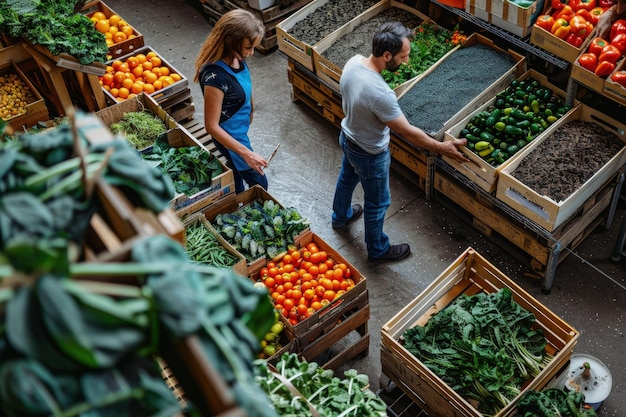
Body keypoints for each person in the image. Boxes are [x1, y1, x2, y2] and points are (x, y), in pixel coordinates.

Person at [331, 22, 469, 263]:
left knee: (346, 179)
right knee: (377, 202)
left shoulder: (353, 63)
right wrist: (441, 147)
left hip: (348, 137)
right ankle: (378, 249)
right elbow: (409, 132)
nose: (407, 61)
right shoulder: (380, 93)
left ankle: (339, 216)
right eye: (403, 56)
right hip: (370, 153)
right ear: (387, 55)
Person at [193, 9, 268, 194]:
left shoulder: (237, 58)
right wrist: (246, 153)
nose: (251, 53)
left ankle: (235, 191)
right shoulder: (215, 78)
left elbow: (244, 84)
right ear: (230, 41)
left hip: (240, 130)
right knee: (260, 184)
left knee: (235, 167)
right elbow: (211, 126)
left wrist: (250, 110)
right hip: (230, 137)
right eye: (248, 48)